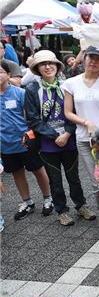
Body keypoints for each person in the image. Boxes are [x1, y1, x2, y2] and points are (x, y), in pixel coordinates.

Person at [24, 50, 96, 226]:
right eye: (43, 64)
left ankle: (81, 205)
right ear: (37, 68)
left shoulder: (68, 85)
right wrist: (55, 135)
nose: (48, 67)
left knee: (74, 177)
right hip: (48, 144)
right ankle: (61, 210)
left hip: (69, 139)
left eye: (51, 63)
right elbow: (33, 118)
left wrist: (67, 133)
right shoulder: (32, 89)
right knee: (55, 180)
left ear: (57, 66)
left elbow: (76, 111)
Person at [63, 46, 99, 229]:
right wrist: (86, 123)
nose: (94, 61)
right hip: (84, 139)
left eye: (98, 59)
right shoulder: (71, 83)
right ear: (84, 59)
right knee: (96, 180)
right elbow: (68, 112)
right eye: (90, 58)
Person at [0, 60, 53, 220]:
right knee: (17, 172)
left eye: (1, 71)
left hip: (25, 142)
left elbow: (31, 117)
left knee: (38, 169)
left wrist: (32, 136)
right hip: (5, 144)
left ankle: (48, 199)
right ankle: (27, 202)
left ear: (9, 75)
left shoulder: (20, 93)